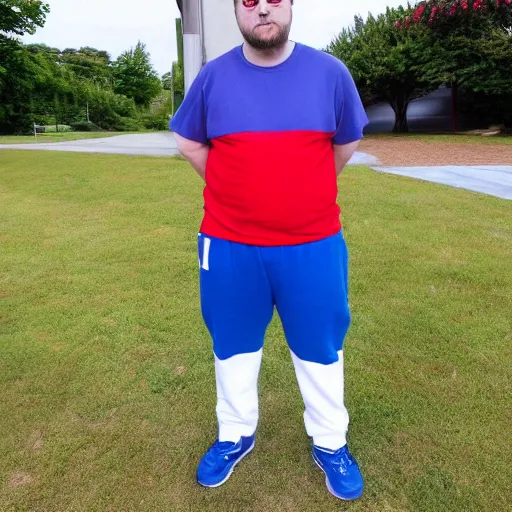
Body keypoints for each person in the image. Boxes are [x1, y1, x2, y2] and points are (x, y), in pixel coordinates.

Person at [170, 0, 369, 501]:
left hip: (313, 245)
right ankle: (235, 433)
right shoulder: (214, 77)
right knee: (233, 346)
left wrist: (302, 193)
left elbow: (344, 145)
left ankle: (330, 442)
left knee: (320, 349)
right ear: (238, 11)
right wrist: (235, 192)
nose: (262, 9)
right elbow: (188, 142)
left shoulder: (329, 73)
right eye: (248, 1)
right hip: (230, 245)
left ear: (291, 6)